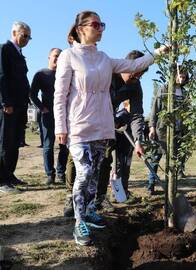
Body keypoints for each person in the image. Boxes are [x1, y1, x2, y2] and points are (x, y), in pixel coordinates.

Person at [54, 10, 168, 246]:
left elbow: (135, 63)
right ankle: (79, 222)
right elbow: (60, 95)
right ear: (81, 28)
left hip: (102, 126)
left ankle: (89, 211)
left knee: (95, 173)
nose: (100, 28)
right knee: (84, 172)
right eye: (96, 24)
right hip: (78, 126)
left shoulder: (105, 58)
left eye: (102, 25)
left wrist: (159, 52)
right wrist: (60, 126)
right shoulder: (69, 56)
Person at [95, 49, 149, 210]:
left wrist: (138, 140)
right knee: (92, 160)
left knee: (106, 159)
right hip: (92, 118)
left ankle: (100, 198)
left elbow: (137, 114)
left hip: (109, 121)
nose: (137, 78)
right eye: (136, 73)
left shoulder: (135, 86)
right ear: (127, 65)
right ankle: (78, 198)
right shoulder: (107, 73)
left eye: (141, 75)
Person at [0, 21, 32, 193]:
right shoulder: (4, 49)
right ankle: (2, 181)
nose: (26, 39)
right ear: (14, 32)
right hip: (9, 106)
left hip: (20, 105)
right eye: (24, 35)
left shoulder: (20, 54)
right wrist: (6, 102)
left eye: (29, 37)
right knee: (5, 142)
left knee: (15, 142)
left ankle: (10, 175)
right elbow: (2, 77)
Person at [30, 48, 69, 185]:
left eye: (60, 57)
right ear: (49, 57)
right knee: (48, 145)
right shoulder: (41, 74)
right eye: (55, 56)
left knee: (64, 145)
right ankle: (49, 175)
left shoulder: (65, 75)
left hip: (64, 115)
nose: (57, 59)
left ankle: (60, 173)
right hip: (47, 115)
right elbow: (32, 94)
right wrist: (42, 108)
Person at [147, 69, 189, 195]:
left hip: (178, 131)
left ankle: (171, 186)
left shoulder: (184, 93)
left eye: (184, 77)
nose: (181, 79)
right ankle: (151, 185)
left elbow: (186, 113)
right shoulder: (164, 89)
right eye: (179, 76)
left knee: (174, 160)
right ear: (174, 76)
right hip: (163, 130)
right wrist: (152, 127)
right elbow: (155, 108)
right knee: (155, 157)